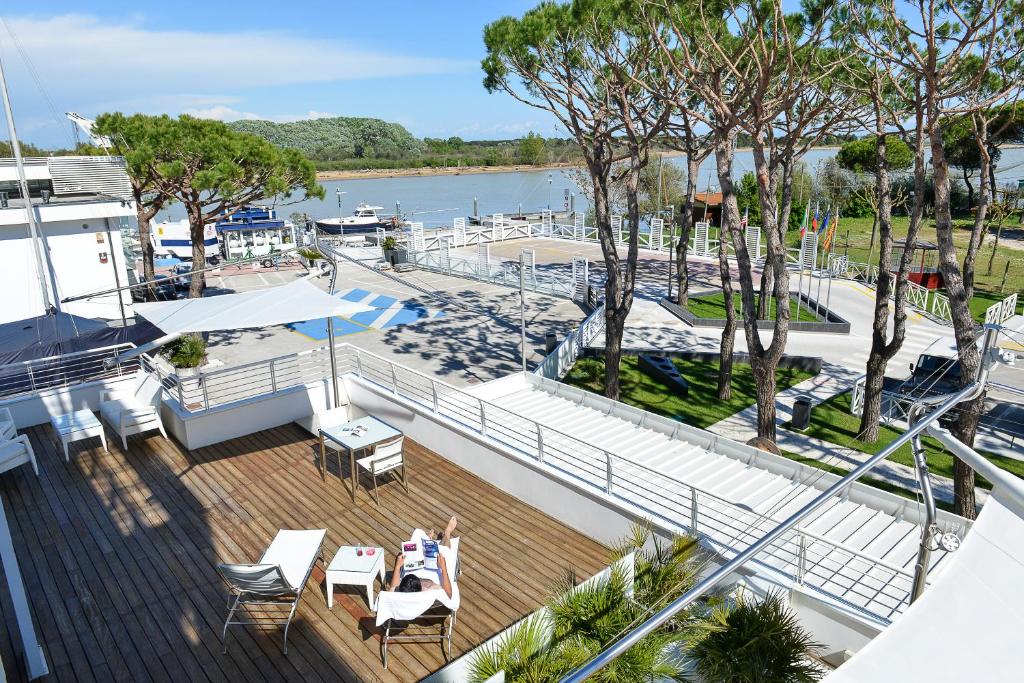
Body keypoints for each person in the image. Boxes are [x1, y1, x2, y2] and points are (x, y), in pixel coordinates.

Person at [388, 515, 457, 598]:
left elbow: (393, 588)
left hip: (415, 569)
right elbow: (448, 593)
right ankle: (447, 534)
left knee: (417, 537)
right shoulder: (429, 591)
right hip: (434, 575)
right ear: (421, 587)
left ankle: (428, 540)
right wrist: (443, 568)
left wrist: (398, 566)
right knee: (444, 551)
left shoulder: (402, 593)